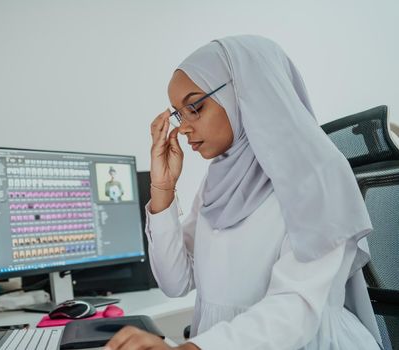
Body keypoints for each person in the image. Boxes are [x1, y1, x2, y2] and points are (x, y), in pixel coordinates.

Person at [105, 35, 382, 350]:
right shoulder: (218, 181)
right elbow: (175, 282)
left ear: (247, 93)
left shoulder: (319, 174)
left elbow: (295, 310)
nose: (182, 128)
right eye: (179, 114)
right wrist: (163, 188)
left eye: (195, 107)